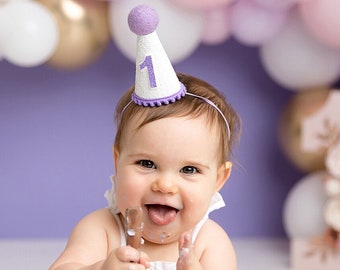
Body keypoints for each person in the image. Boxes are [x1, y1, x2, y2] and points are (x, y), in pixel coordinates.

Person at [50, 5, 241, 270]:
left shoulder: (209, 243)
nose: (164, 185)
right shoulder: (101, 230)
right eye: (147, 164)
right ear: (118, 161)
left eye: (189, 169)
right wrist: (99, 268)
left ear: (218, 179)